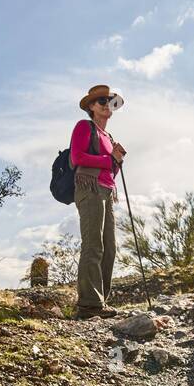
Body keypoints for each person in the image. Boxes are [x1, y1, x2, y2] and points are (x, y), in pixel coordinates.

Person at [71, 84, 127, 318]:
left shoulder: (108, 136)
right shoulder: (85, 126)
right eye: (101, 101)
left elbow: (110, 170)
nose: (107, 105)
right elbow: (77, 157)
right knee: (93, 244)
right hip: (89, 188)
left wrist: (116, 160)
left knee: (109, 248)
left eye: (109, 101)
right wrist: (108, 158)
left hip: (106, 190)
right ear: (92, 107)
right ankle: (89, 304)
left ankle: (100, 300)